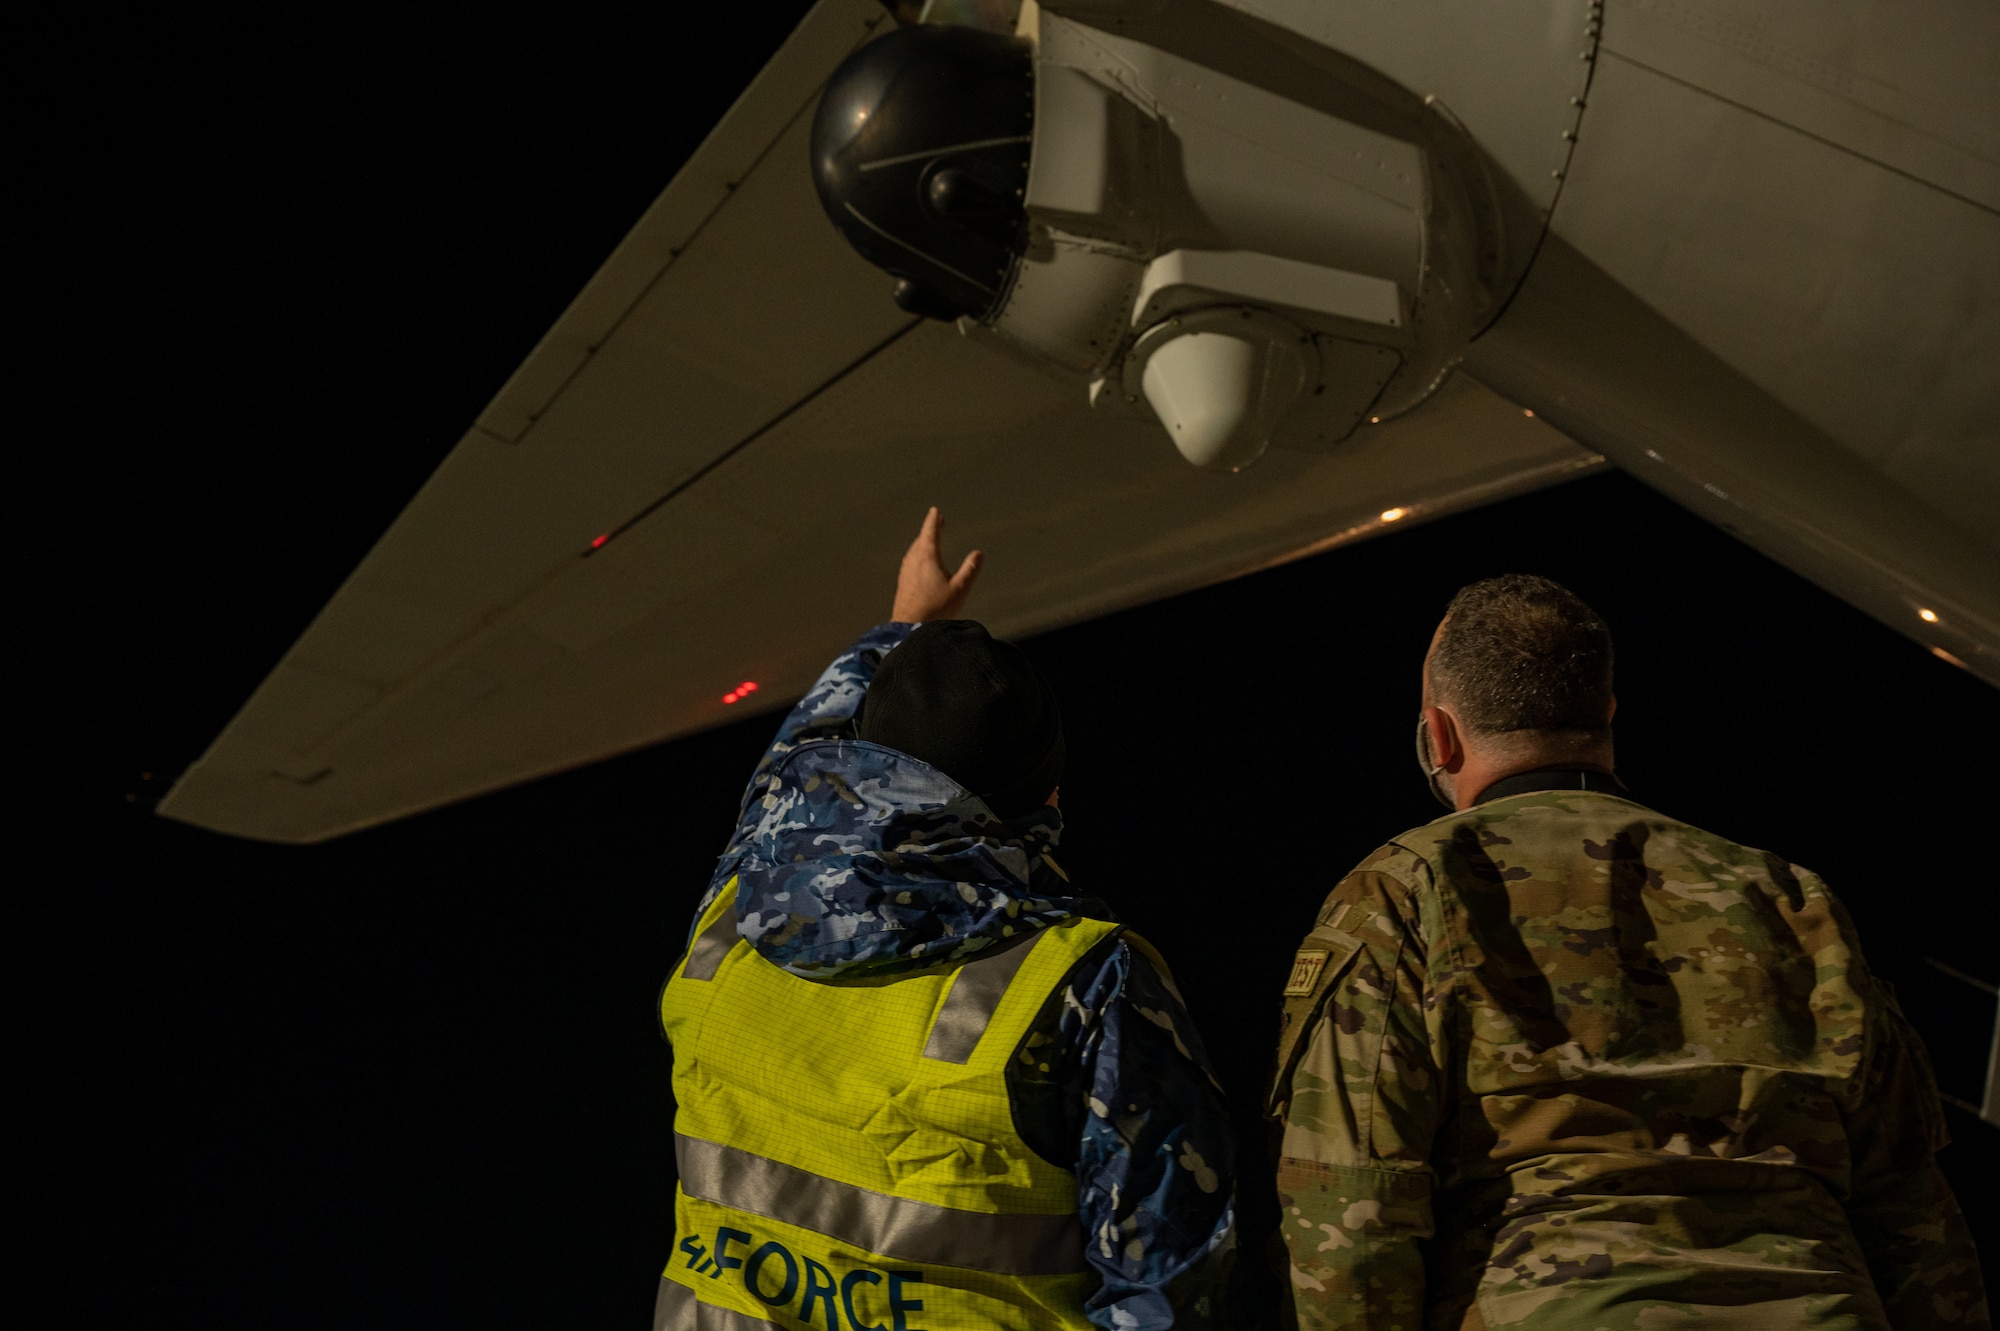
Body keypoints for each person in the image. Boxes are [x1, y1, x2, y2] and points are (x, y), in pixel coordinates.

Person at [1269, 574, 1987, 1330]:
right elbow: (1912, 1210)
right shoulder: (1786, 895)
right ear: (1607, 715)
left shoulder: (1408, 890)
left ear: (1438, 735)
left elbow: (1353, 1212)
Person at [656, 509, 1236, 1330]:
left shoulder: (739, 905)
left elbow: (787, 772)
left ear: (859, 759)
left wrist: (903, 627)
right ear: (1047, 803)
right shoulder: (1085, 986)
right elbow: (1168, 1286)